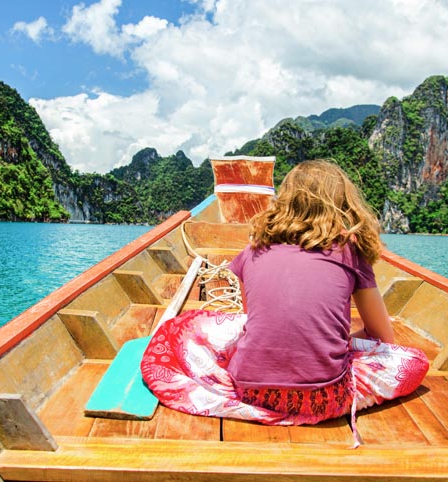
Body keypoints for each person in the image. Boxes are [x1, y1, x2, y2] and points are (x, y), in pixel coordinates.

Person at [141, 160, 428, 445]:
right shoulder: (351, 253)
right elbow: (383, 339)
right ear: (343, 205)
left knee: (186, 327)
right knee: (413, 361)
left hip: (250, 390)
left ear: (283, 202)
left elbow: (251, 323)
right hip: (325, 398)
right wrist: (339, 343)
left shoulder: (252, 251)